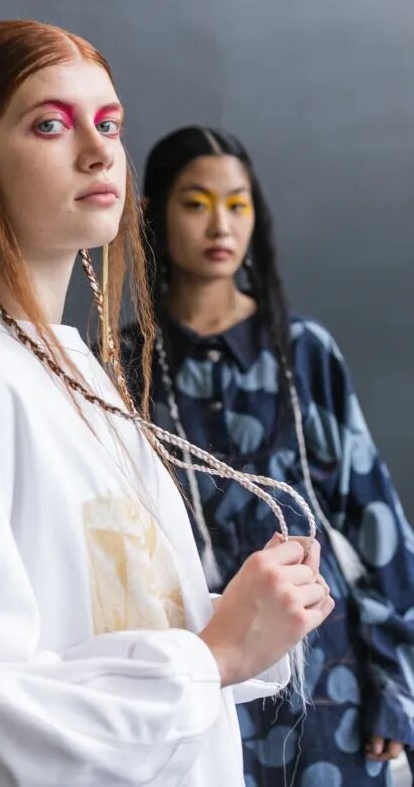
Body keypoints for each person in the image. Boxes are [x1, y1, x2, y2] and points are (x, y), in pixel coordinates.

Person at [0, 23, 333, 787]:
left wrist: (239, 619)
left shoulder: (67, 362)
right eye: (50, 124)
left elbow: (100, 617)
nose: (99, 151)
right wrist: (214, 655)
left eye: (109, 124)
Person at [121, 124, 414, 786]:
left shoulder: (303, 351)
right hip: (201, 670)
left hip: (331, 678)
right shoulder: (124, 364)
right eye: (196, 203)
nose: (220, 224)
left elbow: (378, 524)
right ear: (154, 213)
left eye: (238, 204)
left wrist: (396, 686)